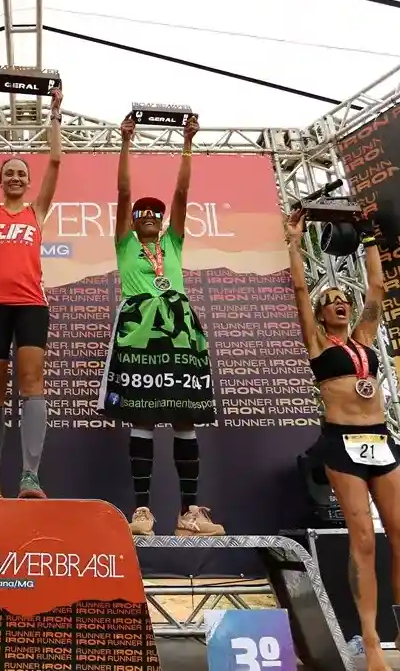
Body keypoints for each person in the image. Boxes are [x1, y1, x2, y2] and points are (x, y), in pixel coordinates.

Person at [284, 208, 400, 671]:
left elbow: (376, 288)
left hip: (380, 440)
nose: (340, 303)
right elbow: (299, 290)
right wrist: (294, 241)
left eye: (344, 298)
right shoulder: (318, 344)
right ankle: (371, 639)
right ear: (322, 313)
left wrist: (369, 238)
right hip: (342, 444)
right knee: (363, 540)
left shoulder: (364, 337)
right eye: (331, 301)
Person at [101, 114, 224, 537]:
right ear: (133, 222)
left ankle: (190, 513)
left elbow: (182, 192)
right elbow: (123, 192)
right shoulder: (124, 244)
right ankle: (141, 512)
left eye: (157, 212)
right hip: (140, 330)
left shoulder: (172, 241)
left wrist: (188, 142)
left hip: (179, 331)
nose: (151, 215)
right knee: (144, 417)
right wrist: (125, 141)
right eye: (143, 213)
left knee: (185, 419)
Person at [0, 81, 63, 500]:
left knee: (31, 383)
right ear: (0, 180)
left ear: (28, 181)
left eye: (22, 173)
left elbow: (55, 161)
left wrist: (55, 113)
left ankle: (30, 476)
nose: (16, 177)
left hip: (31, 306)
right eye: (9, 173)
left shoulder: (36, 212)